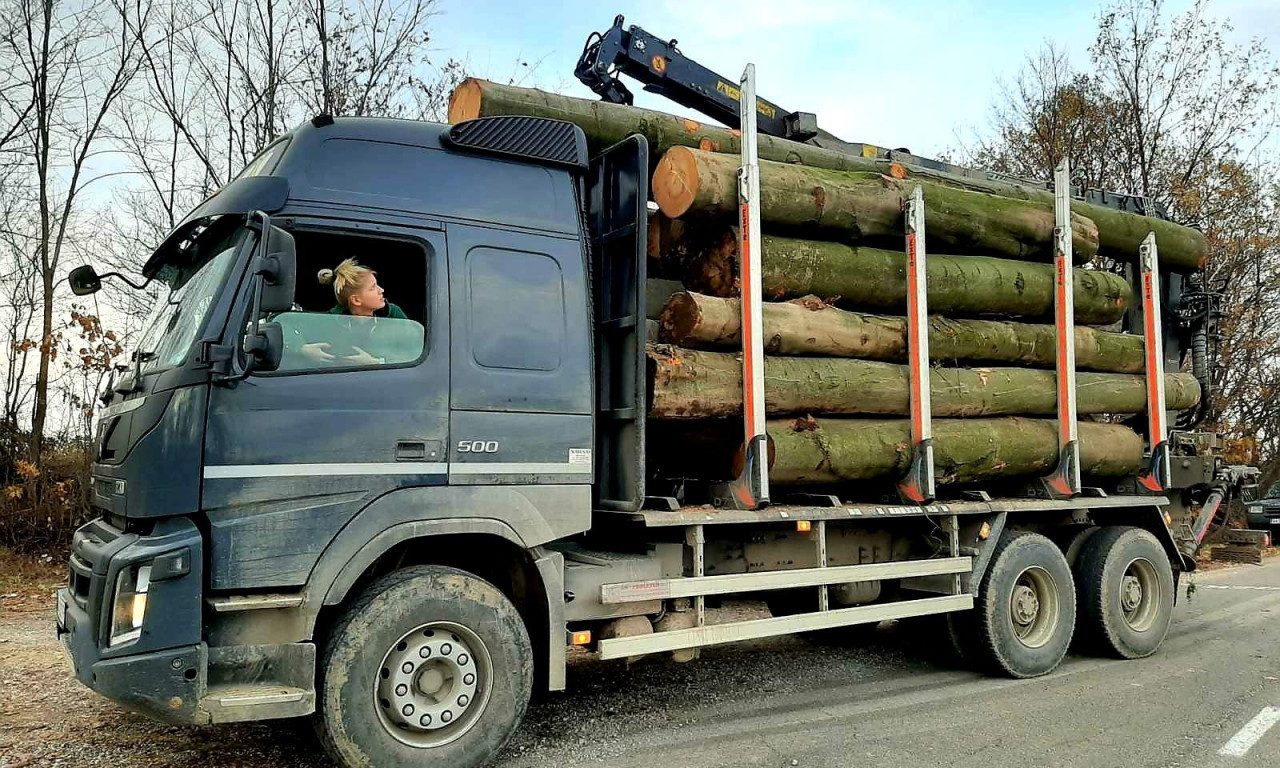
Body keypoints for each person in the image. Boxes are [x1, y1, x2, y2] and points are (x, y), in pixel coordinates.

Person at [298, 258, 410, 366]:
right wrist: (301, 349)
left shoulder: (392, 314)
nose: (381, 290)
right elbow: (285, 324)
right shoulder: (329, 321)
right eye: (373, 288)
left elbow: (416, 349)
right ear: (356, 300)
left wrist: (377, 362)